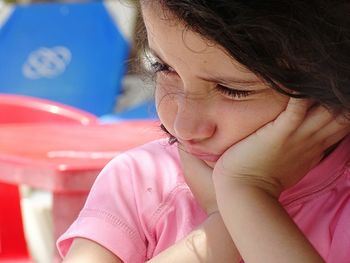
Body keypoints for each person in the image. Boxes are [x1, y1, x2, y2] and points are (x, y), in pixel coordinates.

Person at [57, 1, 350, 262]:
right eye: (164, 67)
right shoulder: (137, 180)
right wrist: (226, 219)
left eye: (233, 90)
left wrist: (245, 194)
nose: (183, 126)